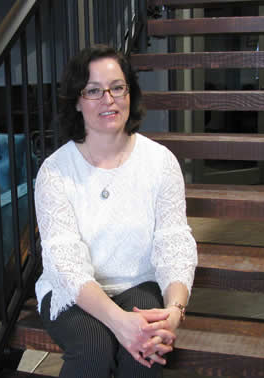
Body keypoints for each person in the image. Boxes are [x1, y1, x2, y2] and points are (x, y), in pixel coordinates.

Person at [34, 45, 198, 378]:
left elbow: (174, 244)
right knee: (93, 351)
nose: (108, 99)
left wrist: (174, 312)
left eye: (117, 87)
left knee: (147, 349)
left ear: (129, 93)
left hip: (138, 283)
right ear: (77, 102)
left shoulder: (161, 162)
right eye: (93, 91)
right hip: (73, 291)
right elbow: (65, 263)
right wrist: (119, 321)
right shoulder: (55, 171)